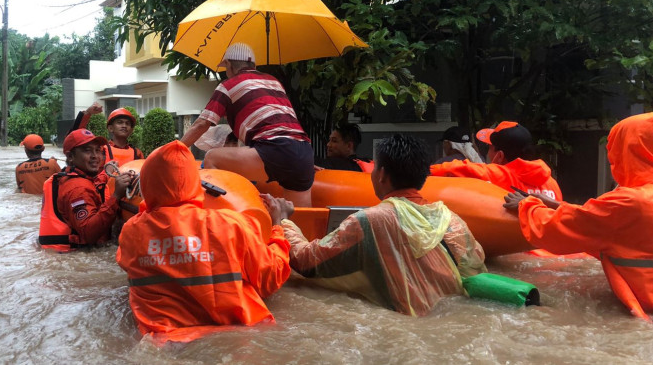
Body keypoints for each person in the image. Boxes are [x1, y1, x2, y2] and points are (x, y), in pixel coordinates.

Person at [267, 134, 487, 316]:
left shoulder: (371, 221)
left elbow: (307, 262)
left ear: (381, 175)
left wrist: (283, 221)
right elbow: (475, 274)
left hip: (406, 330)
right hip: (451, 324)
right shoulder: (453, 220)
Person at [116, 140, 291, 343]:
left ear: (147, 183)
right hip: (241, 337)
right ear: (195, 181)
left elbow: (126, 263)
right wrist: (279, 224)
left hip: (164, 343)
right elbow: (271, 278)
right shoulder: (232, 224)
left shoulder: (131, 232)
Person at [503, 112, 653, 320]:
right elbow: (598, 221)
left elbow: (556, 232)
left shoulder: (628, 203)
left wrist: (526, 205)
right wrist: (557, 204)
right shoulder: (630, 203)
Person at [180, 42, 315, 207]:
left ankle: (224, 219)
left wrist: (172, 151)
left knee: (211, 158)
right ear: (253, 65)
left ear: (229, 64)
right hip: (303, 154)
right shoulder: (274, 82)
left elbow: (201, 124)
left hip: (274, 149)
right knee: (298, 226)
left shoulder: (228, 85)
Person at [38, 129, 133, 252]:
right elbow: (89, 233)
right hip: (71, 256)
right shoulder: (77, 189)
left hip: (58, 253)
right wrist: (116, 196)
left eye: (97, 150)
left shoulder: (71, 177)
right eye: (87, 150)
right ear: (71, 157)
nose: (95, 156)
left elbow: (91, 185)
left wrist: (106, 173)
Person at [430, 121, 563, 200]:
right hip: (550, 247)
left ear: (499, 156)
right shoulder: (551, 183)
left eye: (490, 147)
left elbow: (453, 168)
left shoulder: (497, 174)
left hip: (512, 248)